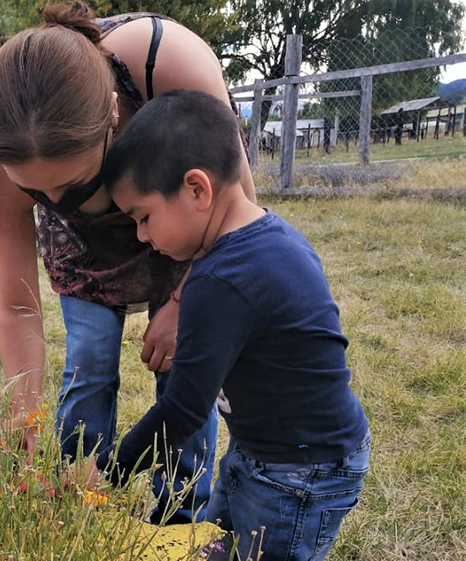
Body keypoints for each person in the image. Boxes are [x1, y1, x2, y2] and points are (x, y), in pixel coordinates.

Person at [0, 1, 255, 522]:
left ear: (110, 114)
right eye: (36, 193)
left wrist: (182, 300)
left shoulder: (167, 66)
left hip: (187, 228)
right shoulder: (4, 154)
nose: (56, 201)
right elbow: (17, 306)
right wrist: (26, 419)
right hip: (83, 251)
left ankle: (179, 515)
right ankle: (80, 509)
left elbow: (236, 226)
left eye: (73, 183)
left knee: (184, 370)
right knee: (90, 363)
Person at [85, 89, 370, 560]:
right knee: (213, 547)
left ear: (197, 189)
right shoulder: (269, 237)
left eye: (144, 216)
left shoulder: (220, 279)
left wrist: (110, 469)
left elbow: (183, 410)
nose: (141, 235)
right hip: (264, 450)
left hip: (299, 471)